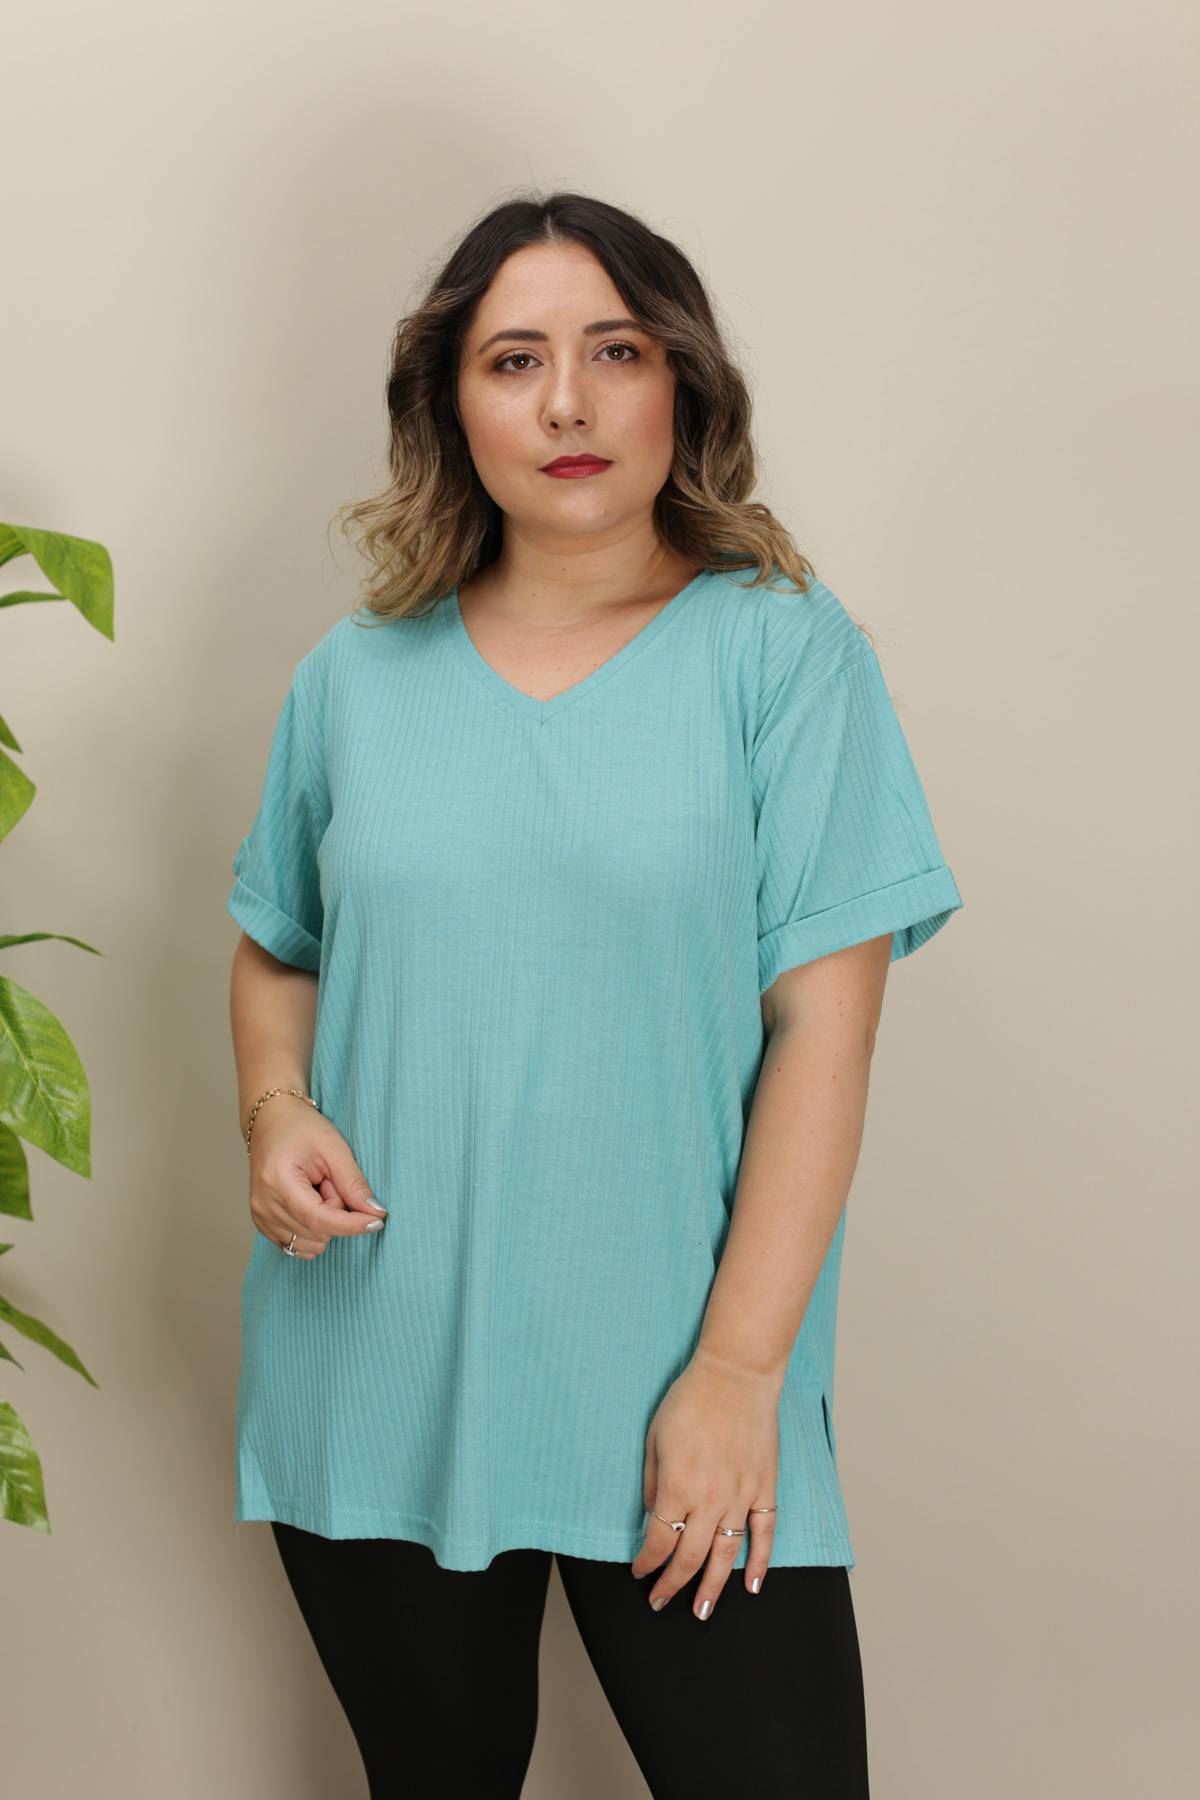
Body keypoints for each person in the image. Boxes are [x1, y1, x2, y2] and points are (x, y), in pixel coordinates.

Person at [226, 190, 963, 1798]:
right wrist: (275, 1108)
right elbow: (279, 939)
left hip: (682, 1375)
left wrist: (738, 1378)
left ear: (682, 382)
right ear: (451, 404)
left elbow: (823, 1036)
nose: (567, 402)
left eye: (615, 351)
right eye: (514, 359)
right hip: (376, 1364)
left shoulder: (785, 655)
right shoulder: (355, 673)